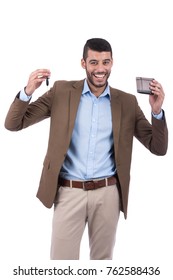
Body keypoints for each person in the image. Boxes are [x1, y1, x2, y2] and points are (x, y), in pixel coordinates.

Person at [4, 38, 168, 260]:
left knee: (102, 265)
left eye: (105, 62)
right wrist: (27, 91)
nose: (100, 69)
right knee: (62, 265)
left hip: (108, 194)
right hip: (68, 192)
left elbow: (158, 148)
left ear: (112, 63)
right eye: (94, 62)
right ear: (83, 63)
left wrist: (157, 112)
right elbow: (14, 124)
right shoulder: (61, 91)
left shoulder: (127, 102)